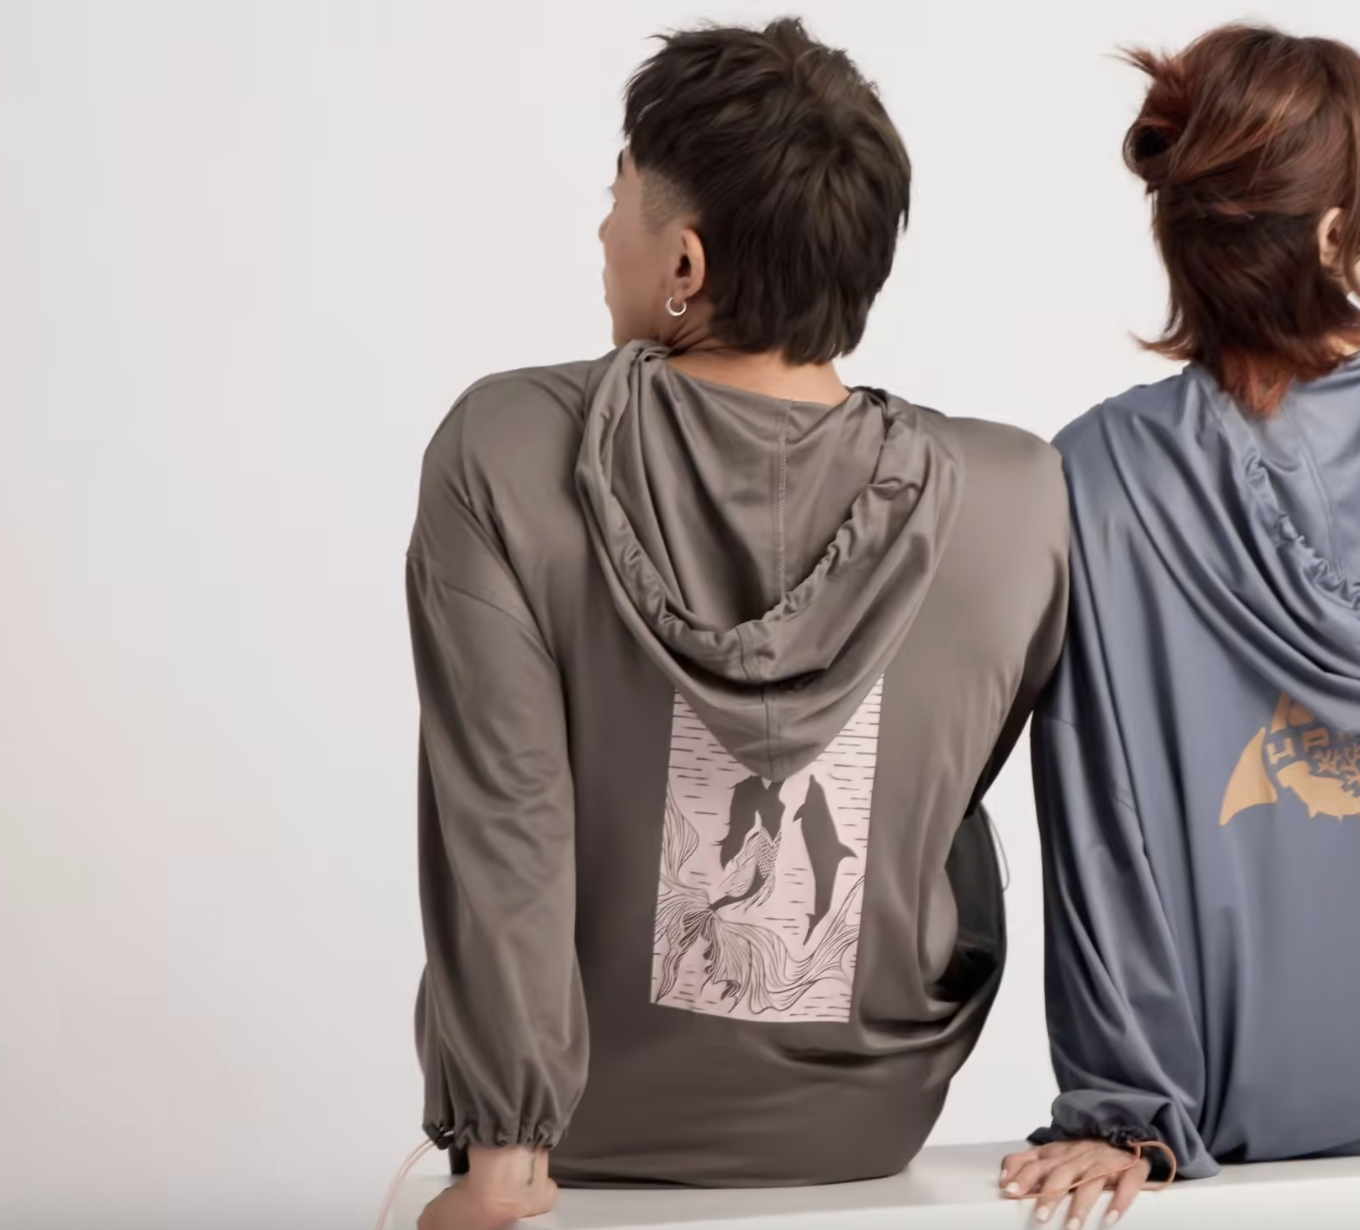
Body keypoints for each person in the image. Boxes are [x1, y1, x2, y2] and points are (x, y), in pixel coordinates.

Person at [404, 19, 1067, 1230]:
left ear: (686, 263)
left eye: (618, 198)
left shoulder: (505, 449)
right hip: (869, 1119)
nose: (602, 232)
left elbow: (506, 816)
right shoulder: (1017, 497)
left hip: (581, 1128)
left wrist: (504, 1155)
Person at [999, 25, 1360, 1228]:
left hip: (1229, 1084)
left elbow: (1100, 819)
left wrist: (1127, 1106)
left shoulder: (1102, 478)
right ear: (1332, 237)